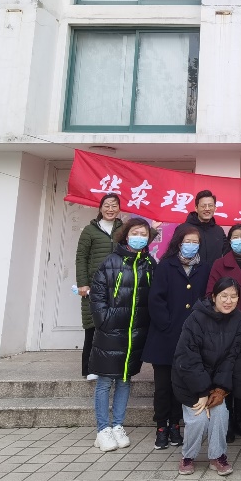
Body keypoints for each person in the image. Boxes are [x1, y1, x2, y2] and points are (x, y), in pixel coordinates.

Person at [89, 217, 155, 453]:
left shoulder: (149, 263)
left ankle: (118, 425)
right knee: (105, 380)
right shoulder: (111, 261)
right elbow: (97, 295)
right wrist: (105, 320)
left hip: (135, 334)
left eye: (144, 234)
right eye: (135, 233)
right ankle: (102, 429)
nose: (140, 237)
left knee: (125, 379)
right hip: (111, 331)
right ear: (126, 235)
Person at [143, 224, 211, 450]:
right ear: (178, 243)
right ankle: (161, 427)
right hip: (165, 337)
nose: (191, 245)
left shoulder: (204, 267)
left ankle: (175, 425)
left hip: (191, 338)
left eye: (195, 242)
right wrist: (168, 324)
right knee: (163, 387)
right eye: (187, 241)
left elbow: (205, 298)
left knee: (179, 386)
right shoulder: (166, 265)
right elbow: (156, 299)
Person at [171, 276, 241, 476]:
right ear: (213, 297)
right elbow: (188, 357)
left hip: (216, 382)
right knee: (198, 420)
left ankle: (217, 456)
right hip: (190, 380)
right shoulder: (196, 318)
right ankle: (188, 456)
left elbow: (232, 356)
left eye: (233, 296)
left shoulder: (240, 320)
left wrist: (220, 389)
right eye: (224, 296)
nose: (228, 301)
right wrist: (202, 391)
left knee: (220, 415)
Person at [208, 223, 241, 443]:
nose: (240, 241)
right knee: (225, 372)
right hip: (225, 325)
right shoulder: (220, 263)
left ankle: (239, 420)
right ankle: (225, 422)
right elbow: (210, 293)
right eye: (235, 237)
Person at [76, 192, 122, 381]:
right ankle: (89, 368)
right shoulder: (90, 230)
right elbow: (81, 257)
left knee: (114, 329)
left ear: (119, 208)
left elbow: (137, 245)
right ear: (100, 208)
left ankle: (110, 367)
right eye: (107, 205)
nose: (110, 209)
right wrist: (82, 283)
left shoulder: (123, 229)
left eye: (114, 205)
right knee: (93, 327)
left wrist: (152, 230)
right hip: (95, 287)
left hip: (118, 287)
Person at [186, 190, 228, 264]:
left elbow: (227, 254)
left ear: (215, 208)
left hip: (214, 271)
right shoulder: (184, 229)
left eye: (210, 205)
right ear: (196, 208)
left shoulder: (219, 231)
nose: (207, 209)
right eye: (203, 206)